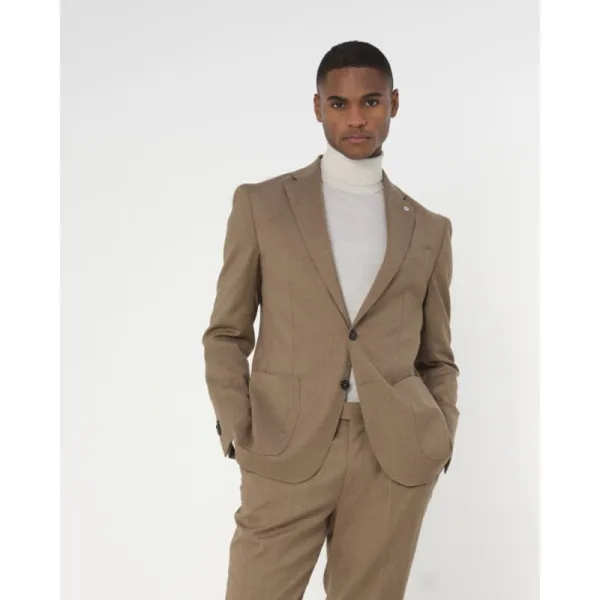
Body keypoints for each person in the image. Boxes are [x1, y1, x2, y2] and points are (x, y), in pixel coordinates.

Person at [202, 39, 459, 600]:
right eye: (339, 104)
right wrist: (238, 429)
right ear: (318, 107)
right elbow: (225, 333)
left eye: (371, 101)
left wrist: (440, 434)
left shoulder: (429, 229)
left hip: (391, 455)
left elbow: (436, 356)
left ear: (394, 103)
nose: (356, 118)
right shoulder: (262, 205)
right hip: (282, 447)